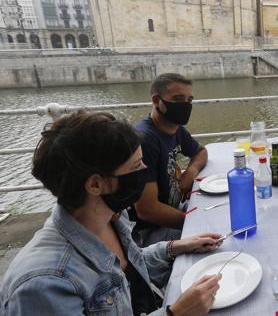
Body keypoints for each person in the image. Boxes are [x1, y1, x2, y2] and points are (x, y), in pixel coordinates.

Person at [1, 111, 224, 316]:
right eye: (136, 166)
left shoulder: (110, 216)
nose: (145, 170)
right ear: (96, 185)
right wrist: (176, 313)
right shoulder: (43, 285)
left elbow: (127, 265)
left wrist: (176, 246)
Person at [131, 73, 208, 246]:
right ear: (156, 100)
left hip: (173, 211)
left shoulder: (174, 128)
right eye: (178, 99)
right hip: (148, 231)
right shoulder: (145, 140)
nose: (185, 105)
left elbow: (201, 152)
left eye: (189, 100)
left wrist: (191, 171)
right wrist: (193, 224)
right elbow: (147, 210)